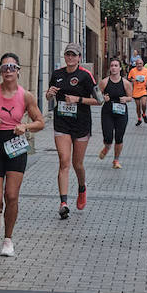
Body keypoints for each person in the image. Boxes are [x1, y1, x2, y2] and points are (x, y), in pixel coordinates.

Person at [0, 52, 44, 256]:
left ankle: (8, 240)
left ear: (18, 71)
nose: (8, 71)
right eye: (5, 68)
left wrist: (26, 126)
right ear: (0, 72)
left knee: (11, 195)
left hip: (16, 146)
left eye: (12, 67)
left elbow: (40, 122)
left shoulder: (26, 95)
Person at [46, 42, 99, 217]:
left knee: (77, 164)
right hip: (62, 123)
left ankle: (82, 187)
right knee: (64, 161)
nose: (70, 58)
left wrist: (78, 99)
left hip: (81, 124)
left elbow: (99, 100)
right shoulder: (57, 74)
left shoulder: (86, 76)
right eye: (68, 54)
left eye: (74, 55)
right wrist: (49, 94)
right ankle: (63, 203)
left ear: (79, 58)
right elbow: (49, 96)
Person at [98, 57, 131, 167]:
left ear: (120, 68)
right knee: (108, 136)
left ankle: (116, 160)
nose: (114, 68)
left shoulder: (126, 83)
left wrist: (125, 99)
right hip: (107, 112)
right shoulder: (104, 82)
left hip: (121, 113)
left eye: (116, 66)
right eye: (112, 65)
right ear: (109, 68)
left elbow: (130, 97)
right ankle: (107, 147)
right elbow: (96, 96)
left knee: (119, 137)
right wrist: (103, 98)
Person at [127, 55, 147, 125]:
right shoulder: (133, 71)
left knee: (143, 104)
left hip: (143, 90)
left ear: (143, 64)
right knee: (138, 106)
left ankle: (144, 114)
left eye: (140, 64)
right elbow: (128, 78)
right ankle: (139, 119)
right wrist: (133, 80)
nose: (139, 65)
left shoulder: (146, 70)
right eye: (137, 64)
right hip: (135, 91)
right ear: (136, 64)